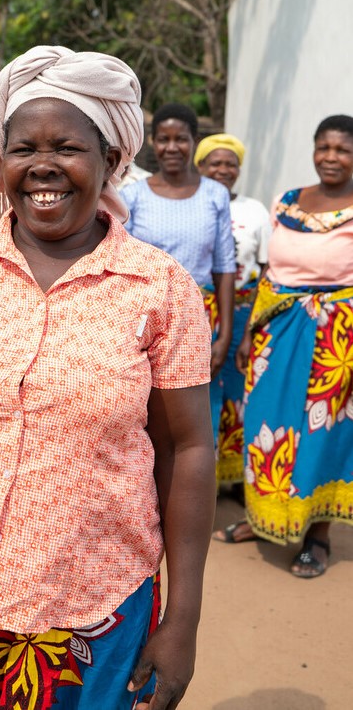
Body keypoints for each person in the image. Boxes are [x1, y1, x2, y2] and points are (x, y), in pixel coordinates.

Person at [0, 47, 216, 710]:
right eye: (23, 147)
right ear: (3, 160)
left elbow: (188, 448)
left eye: (67, 147)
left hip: (96, 606)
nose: (43, 165)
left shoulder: (160, 287)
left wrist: (183, 620)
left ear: (109, 160)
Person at [215, 114, 353, 577]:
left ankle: (316, 536)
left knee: (321, 433)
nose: (331, 157)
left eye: (343, 150)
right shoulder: (287, 202)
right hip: (277, 330)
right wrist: (251, 331)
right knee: (265, 426)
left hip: (337, 340)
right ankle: (262, 519)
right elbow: (273, 272)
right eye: (325, 147)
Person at [120, 104, 237, 434]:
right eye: (163, 139)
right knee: (145, 405)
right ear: (152, 143)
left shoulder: (215, 194)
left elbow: (224, 266)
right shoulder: (132, 196)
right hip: (144, 316)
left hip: (201, 315)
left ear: (195, 141)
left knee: (197, 411)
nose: (172, 147)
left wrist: (224, 333)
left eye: (181, 139)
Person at [194, 135, 271, 489]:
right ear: (200, 167)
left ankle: (237, 480)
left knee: (241, 393)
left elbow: (268, 266)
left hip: (242, 314)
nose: (223, 170)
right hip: (199, 311)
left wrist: (256, 320)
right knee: (202, 395)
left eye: (231, 164)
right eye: (215, 163)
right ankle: (201, 477)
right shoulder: (192, 203)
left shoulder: (255, 210)